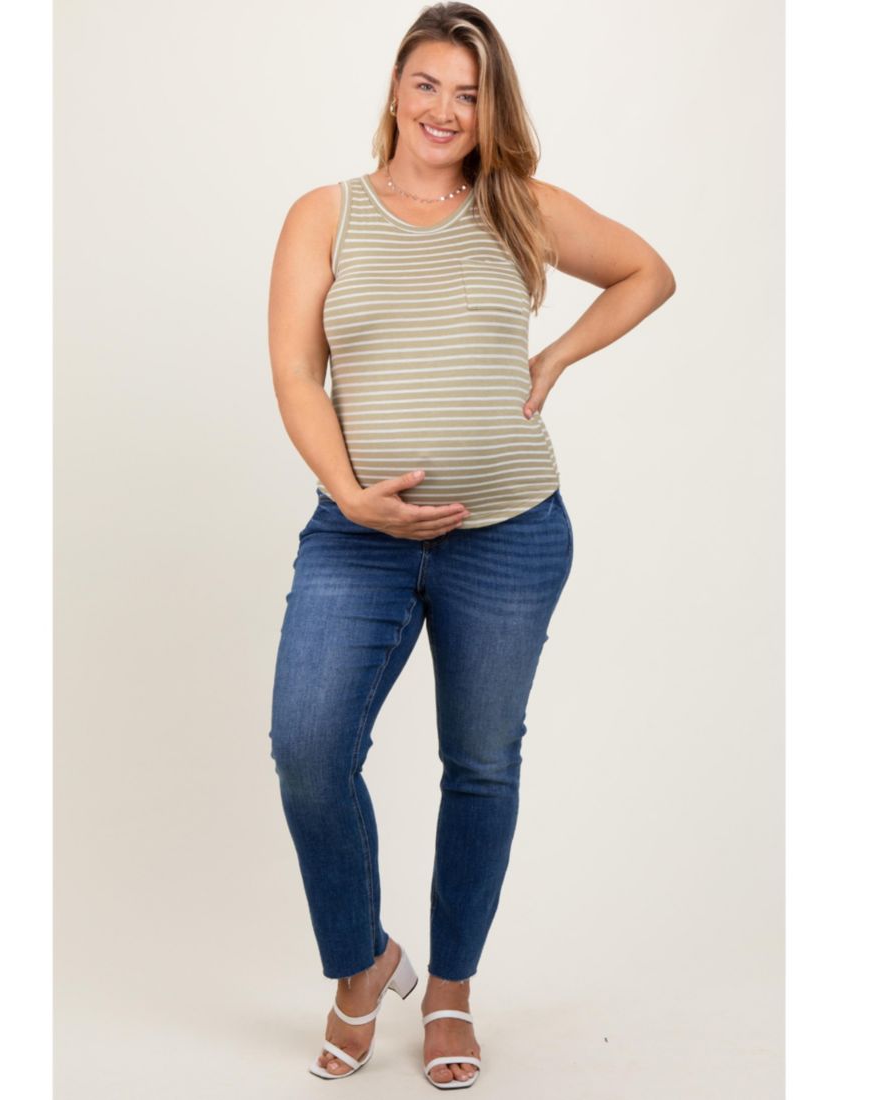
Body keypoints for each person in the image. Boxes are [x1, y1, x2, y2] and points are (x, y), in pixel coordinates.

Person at [266, 2, 675, 1088]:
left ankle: (448, 990)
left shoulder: (520, 207)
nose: (445, 109)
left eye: (469, 92)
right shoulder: (325, 214)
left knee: (482, 766)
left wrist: (557, 357)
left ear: (493, 110)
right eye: (428, 84)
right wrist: (352, 496)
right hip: (357, 535)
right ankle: (362, 964)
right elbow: (297, 374)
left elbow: (647, 270)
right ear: (396, 91)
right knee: (308, 748)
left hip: (511, 539)